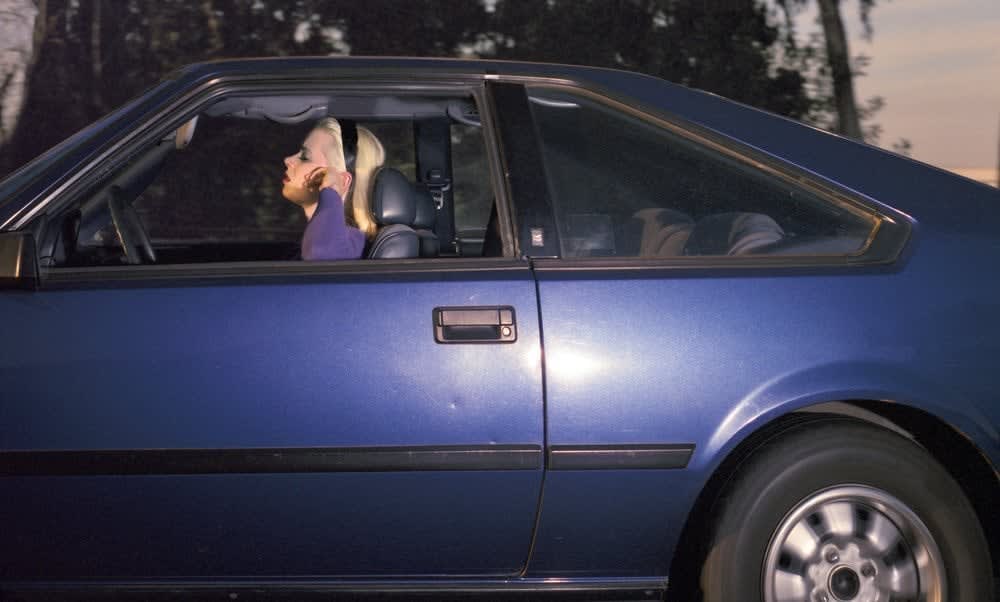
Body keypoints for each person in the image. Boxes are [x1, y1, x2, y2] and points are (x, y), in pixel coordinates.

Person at [282, 117, 386, 260]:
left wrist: (331, 189)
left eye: (305, 157)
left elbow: (320, 253)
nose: (288, 160)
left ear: (342, 180)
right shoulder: (325, 236)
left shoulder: (354, 240)